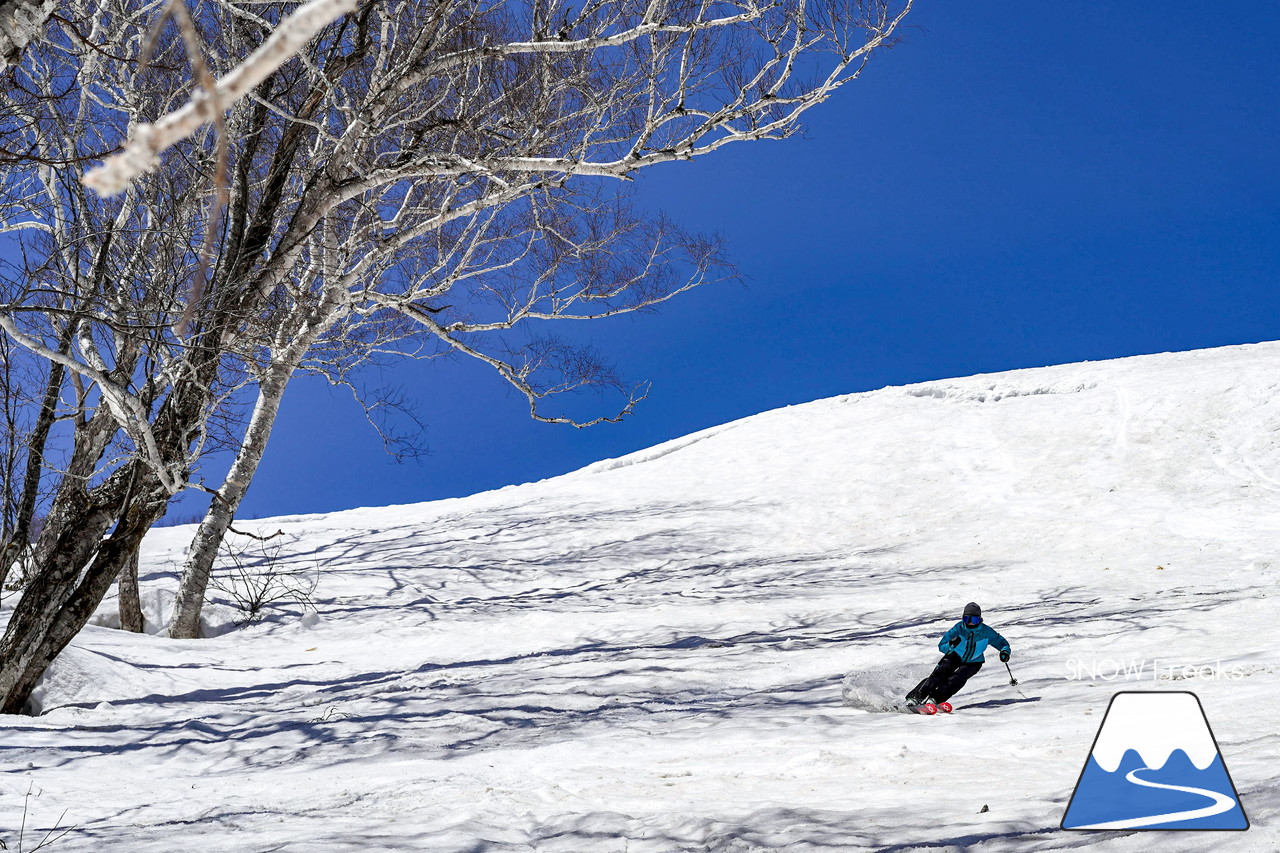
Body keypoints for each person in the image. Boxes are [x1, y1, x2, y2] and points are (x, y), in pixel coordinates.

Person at [905, 602, 1011, 710]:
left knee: (957, 679)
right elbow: (941, 646)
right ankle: (915, 697)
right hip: (955, 655)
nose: (970, 623)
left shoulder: (986, 632)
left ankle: (935, 699)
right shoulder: (958, 628)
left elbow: (1003, 643)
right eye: (967, 619)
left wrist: (1004, 652)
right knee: (940, 673)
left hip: (974, 661)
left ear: (980, 619)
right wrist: (950, 644)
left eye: (974, 620)